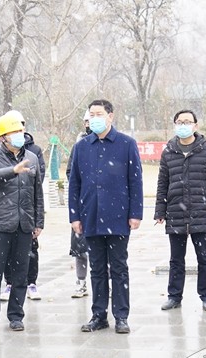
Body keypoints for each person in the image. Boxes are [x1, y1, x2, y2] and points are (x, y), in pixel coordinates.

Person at [68, 99, 144, 334]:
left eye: (99, 114)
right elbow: (74, 183)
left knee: (119, 267)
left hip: (118, 216)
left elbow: (135, 181)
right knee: (97, 268)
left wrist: (135, 213)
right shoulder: (82, 147)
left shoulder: (126, 144)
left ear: (110, 116)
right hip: (90, 215)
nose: (94, 119)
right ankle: (99, 315)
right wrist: (74, 216)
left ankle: (121, 316)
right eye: (91, 114)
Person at [0, 113, 44, 333]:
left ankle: (16, 315)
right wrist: (12, 171)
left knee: (20, 273)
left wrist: (38, 221)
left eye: (20, 131)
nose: (19, 135)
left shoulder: (32, 158)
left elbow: (37, 192)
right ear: (3, 137)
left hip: (24, 224)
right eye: (14, 132)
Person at [155, 110, 206, 312]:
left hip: (200, 211)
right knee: (176, 259)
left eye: (187, 121)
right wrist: (160, 210)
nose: (183, 125)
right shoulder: (168, 151)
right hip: (175, 212)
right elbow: (162, 183)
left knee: (204, 258)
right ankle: (174, 296)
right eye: (180, 122)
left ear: (195, 125)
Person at [0, 110, 46, 301]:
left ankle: (31, 282)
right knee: (7, 251)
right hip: (7, 212)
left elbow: (38, 184)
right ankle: (9, 282)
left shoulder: (34, 152)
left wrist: (38, 220)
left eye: (21, 127)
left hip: (27, 210)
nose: (19, 132)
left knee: (31, 250)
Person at [65, 110, 92, 298]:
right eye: (88, 121)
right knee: (80, 248)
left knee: (106, 249)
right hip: (83, 203)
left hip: (105, 205)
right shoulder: (79, 145)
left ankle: (108, 283)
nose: (90, 124)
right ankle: (81, 282)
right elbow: (71, 173)